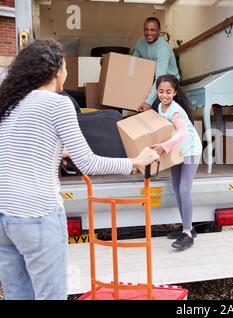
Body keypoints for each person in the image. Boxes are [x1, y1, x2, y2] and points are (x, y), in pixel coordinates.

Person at [0, 39, 159, 300]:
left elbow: (19, 149)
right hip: (37, 215)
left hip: (4, 217)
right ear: (56, 70)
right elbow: (88, 163)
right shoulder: (58, 104)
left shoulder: (9, 102)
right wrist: (134, 162)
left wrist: (55, 153)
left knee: (18, 296)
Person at [150, 74, 202, 250]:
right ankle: (187, 227)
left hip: (190, 150)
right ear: (157, 91)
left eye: (168, 92)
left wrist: (163, 147)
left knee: (184, 189)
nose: (164, 95)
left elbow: (183, 134)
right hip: (177, 151)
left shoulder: (176, 110)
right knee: (176, 189)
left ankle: (187, 233)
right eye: (161, 91)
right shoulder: (160, 107)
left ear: (174, 92)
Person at [134, 17, 180, 112]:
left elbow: (160, 79)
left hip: (169, 82)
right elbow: (133, 63)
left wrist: (148, 102)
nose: (149, 33)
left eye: (152, 30)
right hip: (153, 80)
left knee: (155, 107)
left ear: (159, 31)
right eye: (146, 29)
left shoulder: (162, 48)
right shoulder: (140, 42)